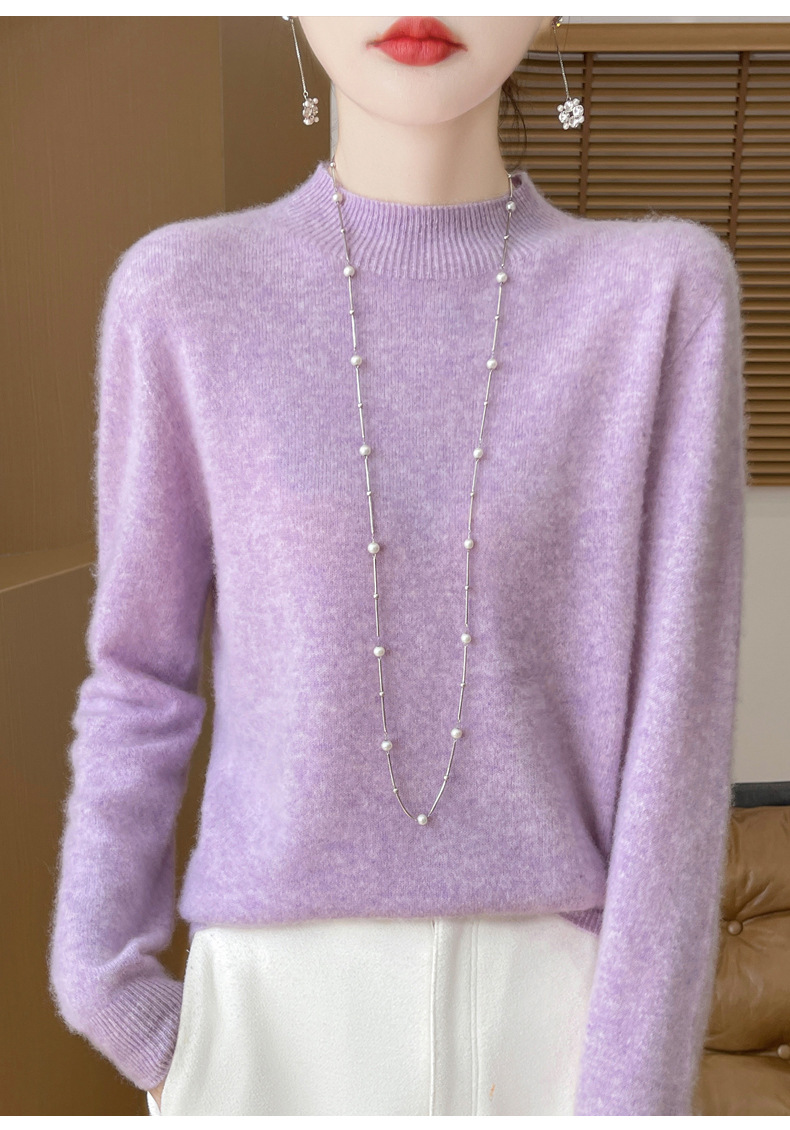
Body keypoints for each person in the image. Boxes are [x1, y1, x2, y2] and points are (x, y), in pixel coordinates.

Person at [48, 15, 747, 1117]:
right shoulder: (184, 294)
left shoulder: (660, 297)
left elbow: (680, 732)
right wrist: (111, 989)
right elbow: (140, 673)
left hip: (565, 1022)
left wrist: (633, 1093)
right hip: (265, 1031)